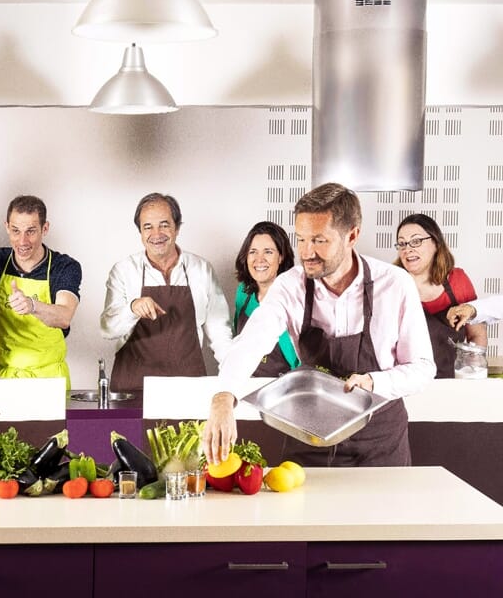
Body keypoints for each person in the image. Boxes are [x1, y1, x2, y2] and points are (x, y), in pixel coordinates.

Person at [203, 183, 436, 468]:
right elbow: (251, 341)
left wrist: (375, 382)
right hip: (309, 437)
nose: (306, 252)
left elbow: (423, 367)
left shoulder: (395, 284)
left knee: (381, 514)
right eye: (300, 239)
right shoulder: (290, 285)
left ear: (352, 235)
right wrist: (224, 397)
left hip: (379, 441)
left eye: (319, 240)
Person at [100, 193, 232, 392]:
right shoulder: (124, 270)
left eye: (164, 225)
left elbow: (220, 334)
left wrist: (233, 380)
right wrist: (132, 308)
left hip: (188, 386)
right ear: (140, 232)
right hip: (134, 387)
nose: (156, 234)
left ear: (177, 228)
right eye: (148, 227)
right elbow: (107, 329)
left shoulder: (201, 269)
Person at [0, 195, 82, 389]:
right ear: (7, 227)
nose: (22, 241)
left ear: (45, 228)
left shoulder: (64, 266)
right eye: (16, 231)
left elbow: (64, 316)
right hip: (3, 376)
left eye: (31, 231)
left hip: (50, 379)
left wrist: (32, 305)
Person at [394, 213, 486, 378]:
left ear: (436, 243)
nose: (407, 249)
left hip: (450, 383)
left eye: (416, 241)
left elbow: (476, 334)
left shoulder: (458, 281)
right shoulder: (392, 283)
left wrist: (472, 371)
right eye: (402, 243)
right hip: (405, 383)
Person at [234, 221, 299, 377]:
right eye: (253, 252)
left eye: (268, 252)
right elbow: (237, 343)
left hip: (284, 386)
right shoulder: (243, 292)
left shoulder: (296, 298)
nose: (259, 259)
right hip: (245, 384)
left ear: (281, 257)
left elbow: (305, 360)